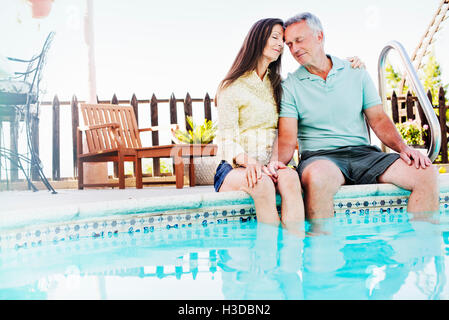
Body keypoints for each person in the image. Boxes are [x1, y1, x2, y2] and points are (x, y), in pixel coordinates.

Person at [268, 12, 439, 220]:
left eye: (299, 40)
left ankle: (420, 248)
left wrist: (404, 148)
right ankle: (322, 250)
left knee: (426, 174)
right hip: (320, 158)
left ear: (319, 36)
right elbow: (287, 137)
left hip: (365, 154)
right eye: (289, 44)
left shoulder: (355, 72)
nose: (294, 49)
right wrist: (274, 163)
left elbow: (378, 119)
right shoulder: (291, 86)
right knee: (318, 179)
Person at [214, 18, 365, 225]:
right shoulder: (231, 87)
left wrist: (347, 65)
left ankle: (292, 252)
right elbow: (226, 138)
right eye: (275, 38)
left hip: (273, 163)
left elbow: (312, 90)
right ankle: (269, 253)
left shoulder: (278, 86)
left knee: (292, 181)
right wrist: (251, 163)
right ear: (258, 39)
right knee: (263, 184)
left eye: (282, 41)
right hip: (236, 166)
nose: (280, 45)